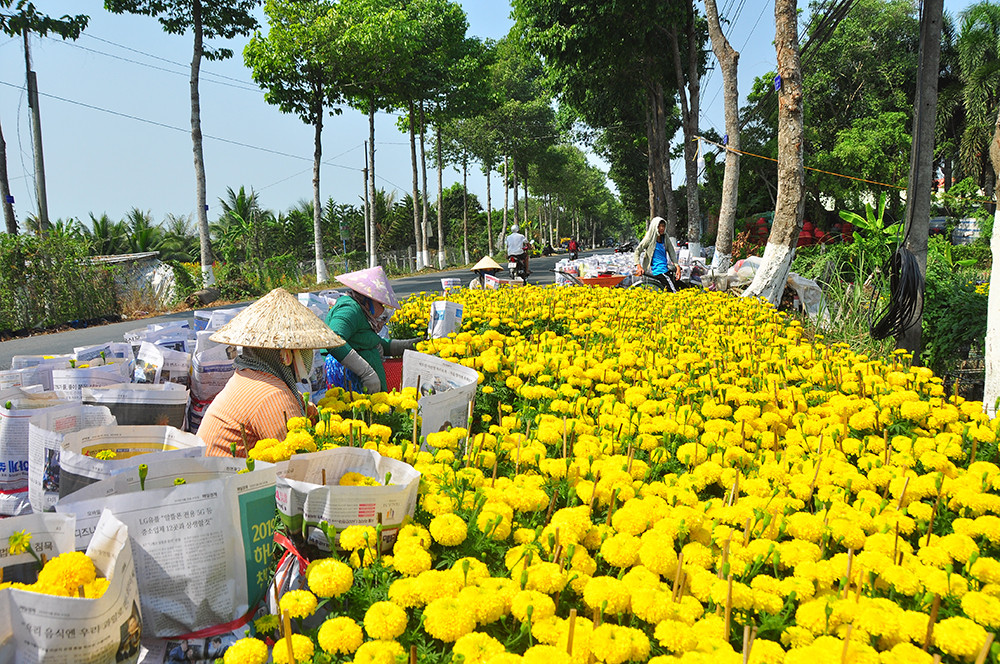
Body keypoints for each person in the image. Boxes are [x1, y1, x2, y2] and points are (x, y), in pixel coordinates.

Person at [197, 287, 345, 457]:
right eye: (304, 349)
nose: (308, 354)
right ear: (286, 355)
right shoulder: (272, 396)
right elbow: (299, 460)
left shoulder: (250, 376)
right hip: (225, 479)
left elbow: (300, 407)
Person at [324, 266, 420, 394]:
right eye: (381, 304)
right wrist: (366, 373)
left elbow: (368, 341)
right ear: (368, 299)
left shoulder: (362, 312)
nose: (383, 310)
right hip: (347, 378)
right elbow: (333, 339)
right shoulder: (349, 309)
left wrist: (410, 345)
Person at [634, 216, 681, 292]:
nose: (662, 228)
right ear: (655, 227)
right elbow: (637, 251)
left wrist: (677, 266)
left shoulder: (665, 237)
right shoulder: (649, 238)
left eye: (663, 226)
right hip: (657, 270)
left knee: (682, 286)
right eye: (659, 226)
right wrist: (638, 266)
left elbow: (671, 251)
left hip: (664, 268)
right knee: (673, 291)